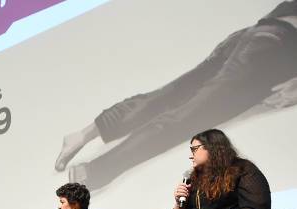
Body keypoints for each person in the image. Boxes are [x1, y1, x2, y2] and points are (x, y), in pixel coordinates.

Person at [55, 1, 297, 191]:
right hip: (277, 49)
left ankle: (82, 135)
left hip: (261, 31)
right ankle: (96, 171)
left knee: (167, 95)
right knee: (187, 116)